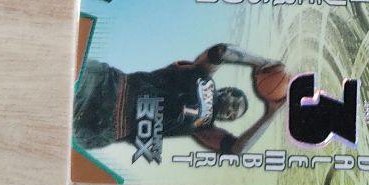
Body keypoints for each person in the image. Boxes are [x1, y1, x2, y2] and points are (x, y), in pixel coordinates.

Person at [73, 42, 285, 157]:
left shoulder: (204, 129)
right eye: (235, 103)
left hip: (106, 127)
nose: (230, 111)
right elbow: (221, 51)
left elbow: (239, 148)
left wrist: (271, 113)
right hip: (109, 84)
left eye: (232, 116)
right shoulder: (202, 74)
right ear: (227, 91)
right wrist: (262, 62)